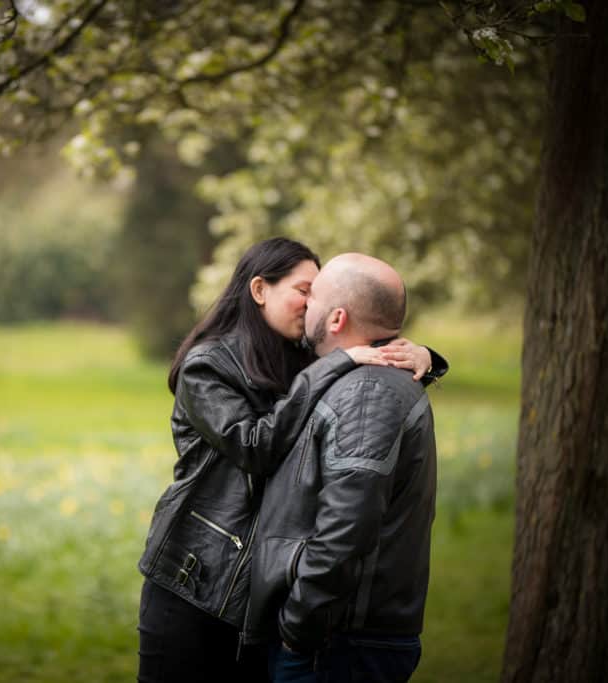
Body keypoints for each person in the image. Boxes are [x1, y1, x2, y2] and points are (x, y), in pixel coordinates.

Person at [137, 239, 447, 682]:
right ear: (260, 289)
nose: (313, 301)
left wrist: (424, 357)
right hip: (195, 583)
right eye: (305, 289)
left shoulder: (307, 357)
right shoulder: (207, 366)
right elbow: (254, 445)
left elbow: (357, 332)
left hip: (259, 597)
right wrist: (337, 362)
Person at [245, 253, 439, 683]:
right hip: (339, 636)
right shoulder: (357, 379)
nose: (304, 305)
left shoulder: (367, 392)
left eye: (311, 297)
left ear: (335, 319)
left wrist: (298, 629)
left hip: (338, 642)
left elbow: (346, 530)